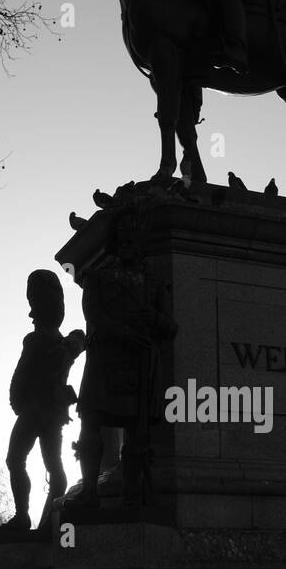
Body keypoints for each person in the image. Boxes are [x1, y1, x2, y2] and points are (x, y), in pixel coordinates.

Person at [71, 206, 177, 512]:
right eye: (124, 240)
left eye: (134, 240)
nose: (129, 245)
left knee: (135, 432)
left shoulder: (154, 283)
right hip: (105, 358)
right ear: (115, 243)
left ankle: (132, 495)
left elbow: (171, 328)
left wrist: (155, 318)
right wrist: (123, 333)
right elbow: (94, 316)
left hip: (139, 362)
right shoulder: (96, 278)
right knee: (90, 422)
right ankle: (90, 491)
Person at [0, 270, 85, 538]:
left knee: (20, 460)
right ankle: (46, 518)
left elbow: (22, 373)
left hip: (36, 410)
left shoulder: (38, 340)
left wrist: (18, 402)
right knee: (50, 463)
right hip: (49, 411)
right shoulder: (63, 342)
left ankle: (28, 517)